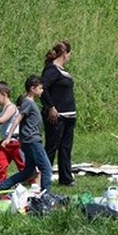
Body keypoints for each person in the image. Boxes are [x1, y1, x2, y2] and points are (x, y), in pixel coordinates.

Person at [0, 75, 53, 193]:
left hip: (30, 140)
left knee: (28, 171)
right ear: (32, 89)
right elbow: (17, 119)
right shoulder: (28, 103)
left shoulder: (30, 103)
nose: (42, 91)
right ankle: (46, 195)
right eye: (40, 88)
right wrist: (9, 137)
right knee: (46, 168)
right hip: (32, 140)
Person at [40, 41, 76, 187]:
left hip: (69, 115)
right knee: (52, 146)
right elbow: (42, 89)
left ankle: (66, 178)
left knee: (66, 147)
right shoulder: (51, 70)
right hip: (57, 116)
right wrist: (50, 107)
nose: (70, 56)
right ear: (64, 54)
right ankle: (44, 176)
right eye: (69, 53)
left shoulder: (63, 70)